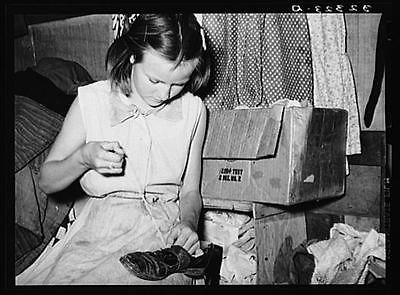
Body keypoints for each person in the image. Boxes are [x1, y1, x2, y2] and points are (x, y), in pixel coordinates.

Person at [16, 13, 210, 285]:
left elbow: (190, 191)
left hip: (161, 234)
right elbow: (47, 181)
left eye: (179, 83)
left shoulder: (194, 110)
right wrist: (83, 158)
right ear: (132, 56)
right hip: (97, 229)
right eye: (155, 80)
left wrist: (189, 223)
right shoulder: (92, 101)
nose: (165, 94)